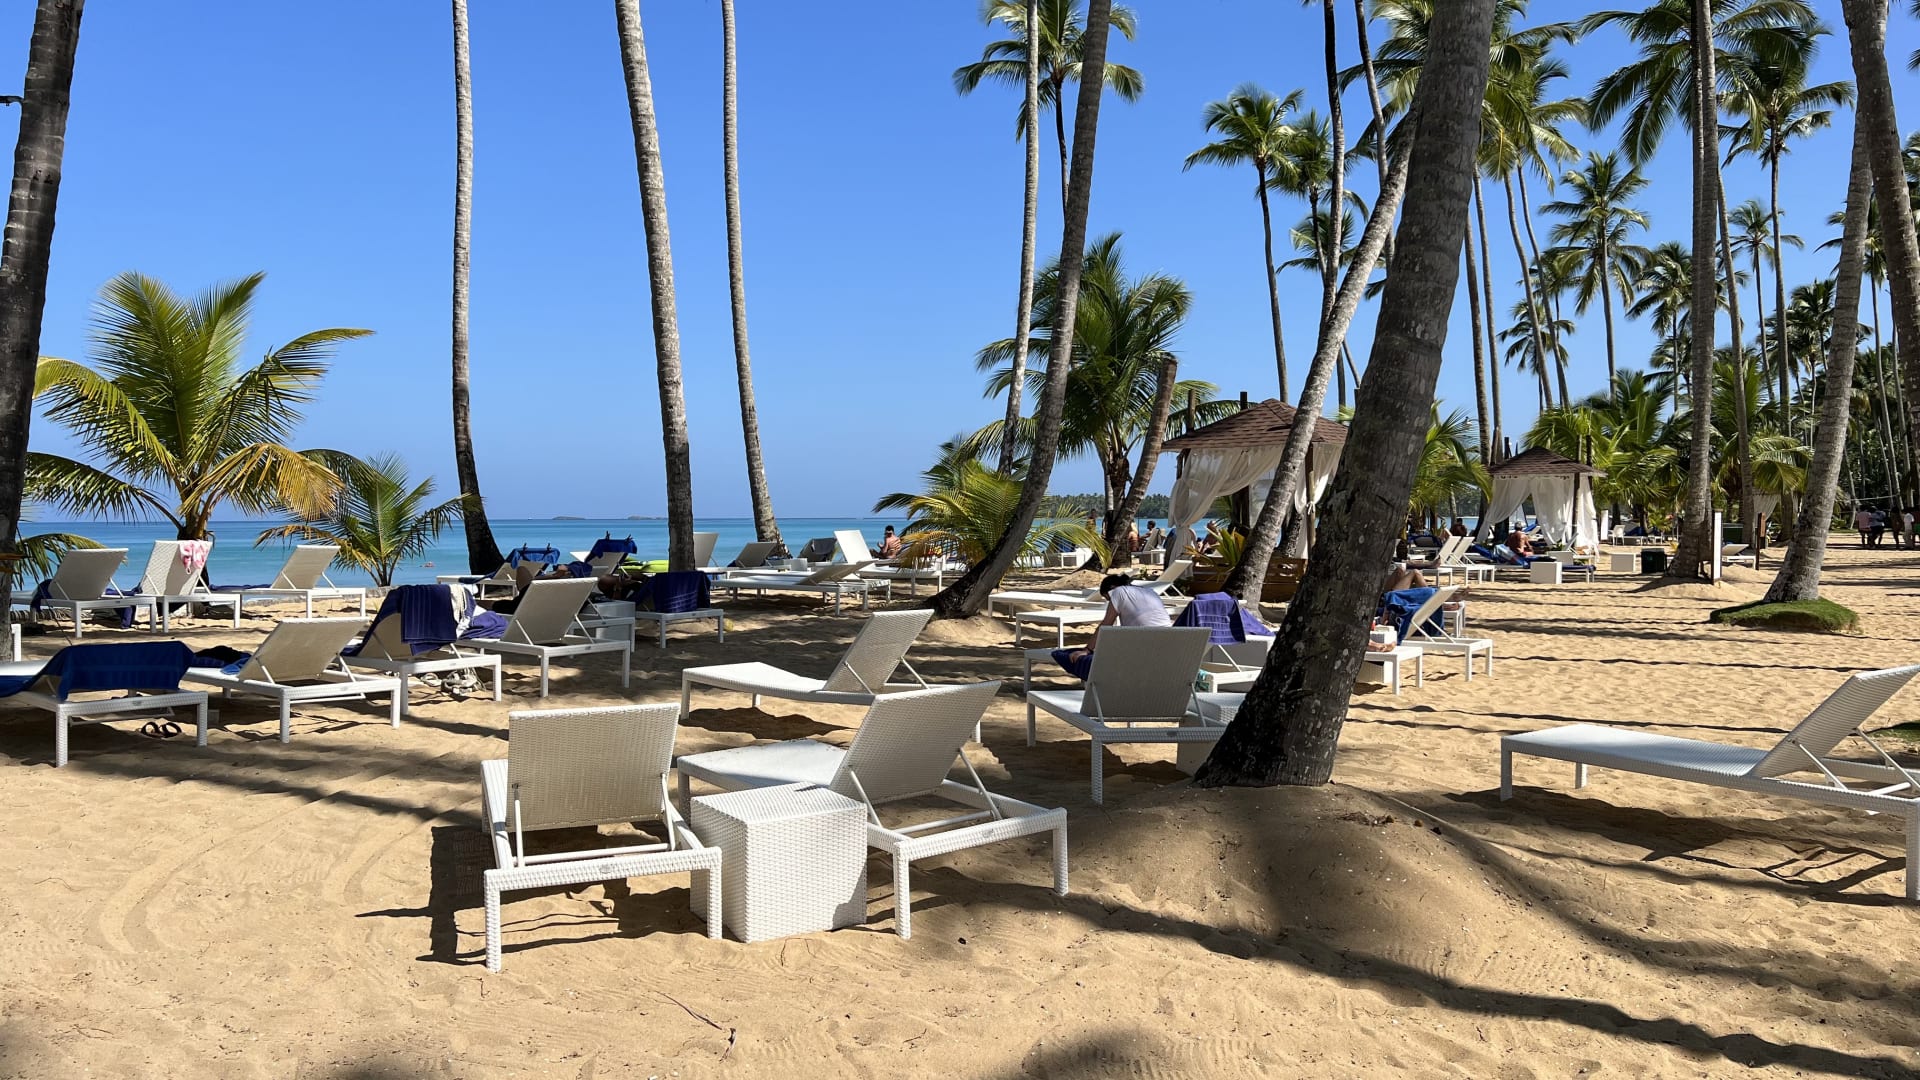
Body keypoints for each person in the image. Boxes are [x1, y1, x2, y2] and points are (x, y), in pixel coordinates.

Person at [1052, 573, 1172, 679]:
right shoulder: (1150, 591)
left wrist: (1087, 650)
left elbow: (1106, 624)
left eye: (1108, 598)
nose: (1109, 602)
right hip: (1169, 641)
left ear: (1112, 588)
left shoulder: (1118, 592)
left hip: (1145, 646)